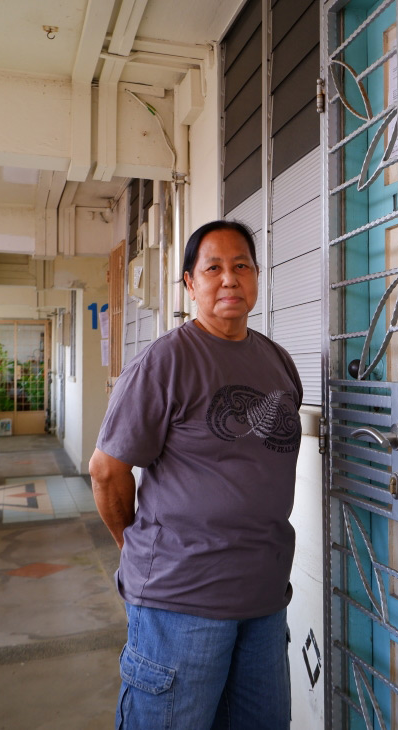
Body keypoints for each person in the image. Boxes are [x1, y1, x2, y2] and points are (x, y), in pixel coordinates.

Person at [89, 220, 302, 730]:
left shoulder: (278, 362)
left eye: (241, 266)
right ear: (190, 283)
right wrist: (131, 543)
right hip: (180, 601)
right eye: (213, 268)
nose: (229, 279)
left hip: (264, 599)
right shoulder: (166, 362)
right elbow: (106, 470)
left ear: (256, 277)